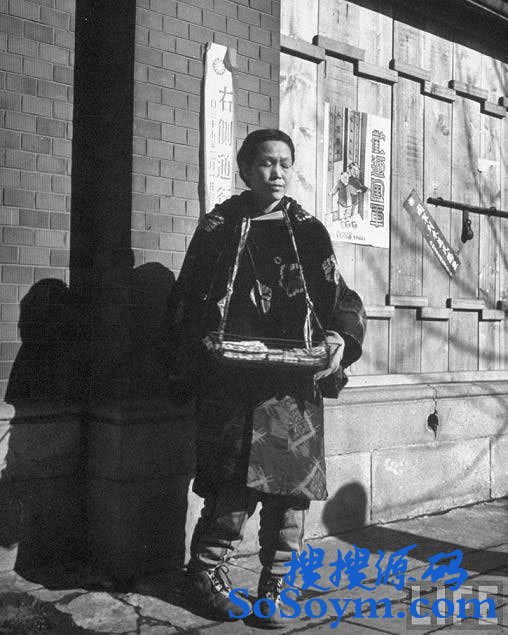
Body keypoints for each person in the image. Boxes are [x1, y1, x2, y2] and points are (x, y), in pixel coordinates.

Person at [171, 129, 366, 626]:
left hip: (291, 389)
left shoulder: (309, 232)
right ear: (244, 169)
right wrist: (199, 352)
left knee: (288, 493)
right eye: (265, 163)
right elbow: (187, 300)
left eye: (284, 163)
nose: (276, 173)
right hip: (232, 388)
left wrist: (339, 339)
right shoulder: (218, 229)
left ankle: (277, 584)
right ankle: (205, 575)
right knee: (231, 488)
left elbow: (340, 299)